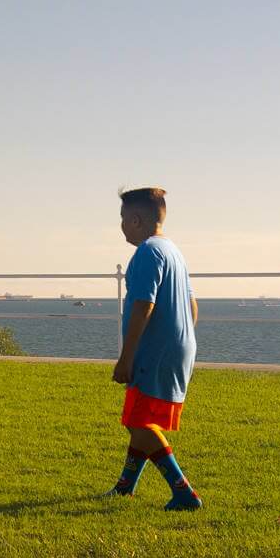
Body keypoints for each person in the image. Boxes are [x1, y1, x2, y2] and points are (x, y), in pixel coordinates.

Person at [108, 186, 201, 510]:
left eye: (122, 218)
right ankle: (124, 487)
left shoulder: (147, 252)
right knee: (143, 418)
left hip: (153, 350)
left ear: (135, 220)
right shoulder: (173, 251)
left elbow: (143, 304)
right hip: (178, 347)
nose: (120, 225)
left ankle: (184, 492)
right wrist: (180, 340)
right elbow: (192, 306)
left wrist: (126, 357)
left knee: (138, 422)